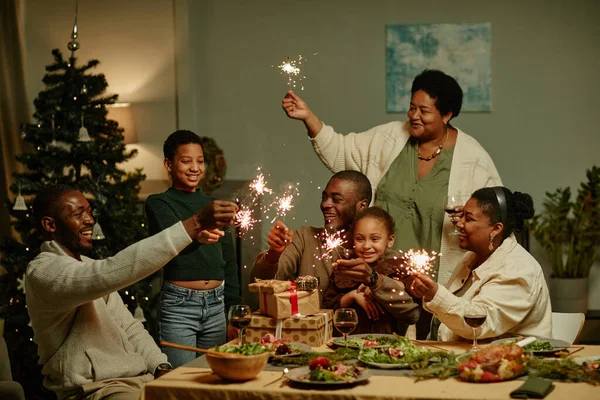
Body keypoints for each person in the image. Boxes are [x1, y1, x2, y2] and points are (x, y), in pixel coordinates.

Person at [282, 69, 502, 338]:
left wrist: (467, 219)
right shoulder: (389, 138)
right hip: (378, 279)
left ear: (447, 115)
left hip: (433, 285)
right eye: (411, 107)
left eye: (424, 111)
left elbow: (494, 220)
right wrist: (308, 117)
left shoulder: (474, 159)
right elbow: (341, 153)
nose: (414, 116)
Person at [25, 184, 238, 400]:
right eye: (79, 214)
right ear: (49, 224)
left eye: (89, 212)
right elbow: (107, 272)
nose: (90, 220)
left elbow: (129, 327)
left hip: (140, 380)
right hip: (97, 390)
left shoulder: (87, 265)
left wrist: (161, 368)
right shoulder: (43, 271)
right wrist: (194, 224)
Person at [145, 130, 241, 368]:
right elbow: (170, 242)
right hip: (179, 308)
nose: (195, 168)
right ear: (169, 164)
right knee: (180, 382)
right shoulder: (159, 203)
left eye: (199, 161)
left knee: (214, 381)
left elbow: (229, 262)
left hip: (217, 307)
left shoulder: (213, 205)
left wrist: (232, 314)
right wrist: (198, 232)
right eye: (186, 161)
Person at [410, 187, 552, 341]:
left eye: (468, 218)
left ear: (496, 229)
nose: (459, 224)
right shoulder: (472, 258)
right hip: (457, 356)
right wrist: (427, 291)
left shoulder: (518, 269)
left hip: (508, 361)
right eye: (462, 215)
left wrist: (435, 294)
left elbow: (479, 324)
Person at [250, 170, 372, 302]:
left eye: (337, 200)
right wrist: (274, 253)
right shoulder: (306, 237)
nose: (325, 204)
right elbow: (260, 283)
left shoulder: (373, 248)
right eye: (324, 197)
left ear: (362, 206)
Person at [323, 207, 419, 335]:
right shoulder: (344, 268)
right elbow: (327, 306)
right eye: (360, 239)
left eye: (374, 239)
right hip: (347, 339)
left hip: (387, 342)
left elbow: (413, 301)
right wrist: (352, 296)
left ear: (390, 241)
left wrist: (385, 285)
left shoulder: (399, 267)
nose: (366, 246)